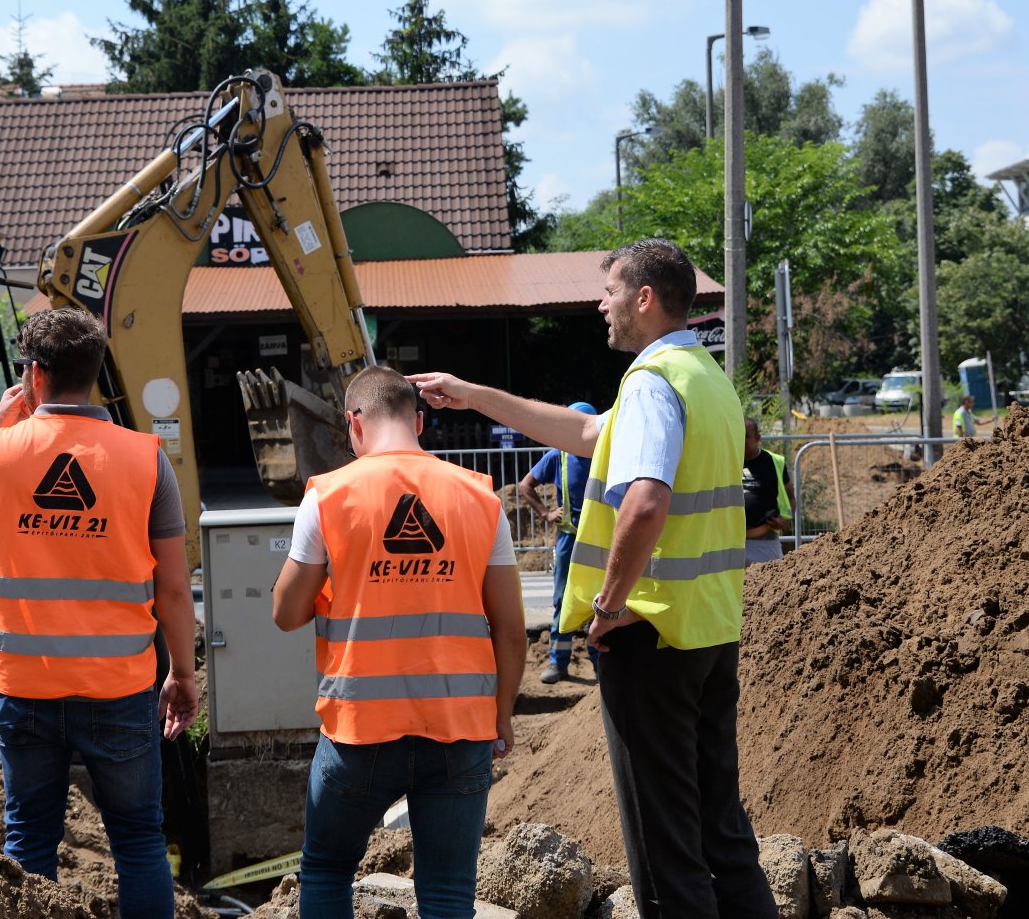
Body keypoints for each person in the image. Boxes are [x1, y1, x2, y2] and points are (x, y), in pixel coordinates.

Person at [409, 238, 777, 919]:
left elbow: (645, 500)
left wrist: (609, 603)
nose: (600, 305)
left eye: (609, 291)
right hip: (708, 632)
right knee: (721, 833)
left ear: (644, 298)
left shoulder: (651, 383)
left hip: (649, 636)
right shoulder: (704, 378)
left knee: (668, 855)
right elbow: (583, 436)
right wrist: (473, 395)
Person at [0, 307, 198, 919]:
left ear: (33, 376)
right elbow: (174, 588)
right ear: (95, 371)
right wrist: (183, 675)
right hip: (118, 689)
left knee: (28, 841)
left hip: (24, 687)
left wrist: (2, 430)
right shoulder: (144, 458)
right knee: (138, 841)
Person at [272, 366, 527, 919]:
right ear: (418, 421)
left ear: (353, 424)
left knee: (326, 870)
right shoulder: (480, 498)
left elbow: (286, 614)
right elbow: (510, 628)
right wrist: (501, 714)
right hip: (460, 728)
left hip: (359, 731)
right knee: (447, 892)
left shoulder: (328, 498)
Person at [513, 402, 599, 682]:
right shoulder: (558, 456)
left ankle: (601, 665)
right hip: (569, 540)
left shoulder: (605, 452)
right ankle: (558, 663)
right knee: (563, 599)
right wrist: (546, 513)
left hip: (600, 540)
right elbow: (525, 485)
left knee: (601, 600)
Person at [740, 418, 793, 566]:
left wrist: (786, 520)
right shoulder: (727, 461)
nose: (740, 440)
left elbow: (791, 497)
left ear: (757, 438)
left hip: (765, 546)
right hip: (731, 545)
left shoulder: (773, 462)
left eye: (745, 436)